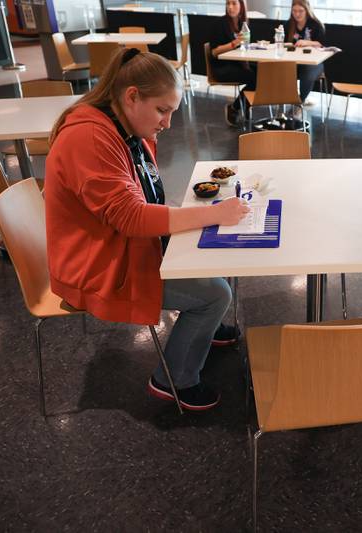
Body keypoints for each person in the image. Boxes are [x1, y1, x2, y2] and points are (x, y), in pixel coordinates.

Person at [45, 48, 250, 410]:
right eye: (162, 110)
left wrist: (202, 220)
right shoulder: (88, 138)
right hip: (98, 264)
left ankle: (208, 328)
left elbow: (139, 206)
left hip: (119, 244)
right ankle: (174, 380)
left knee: (216, 247)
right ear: (131, 96)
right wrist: (214, 214)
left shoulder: (119, 125)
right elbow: (131, 218)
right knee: (216, 294)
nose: (168, 123)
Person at [209, 0, 255, 127]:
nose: (230, 7)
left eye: (234, 3)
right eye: (228, 3)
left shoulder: (242, 23)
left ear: (241, 6)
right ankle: (235, 107)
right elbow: (214, 52)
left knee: (262, 72)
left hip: (237, 64)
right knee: (256, 77)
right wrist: (234, 43)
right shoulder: (220, 23)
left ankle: (244, 106)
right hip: (222, 68)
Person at [286, 0, 326, 103]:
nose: (297, 14)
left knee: (307, 70)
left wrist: (308, 43)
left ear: (307, 10)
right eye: (294, 11)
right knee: (281, 68)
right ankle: (286, 99)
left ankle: (300, 102)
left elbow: (322, 44)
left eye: (300, 11)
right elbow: (283, 44)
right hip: (294, 62)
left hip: (314, 63)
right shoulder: (288, 24)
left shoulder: (316, 25)